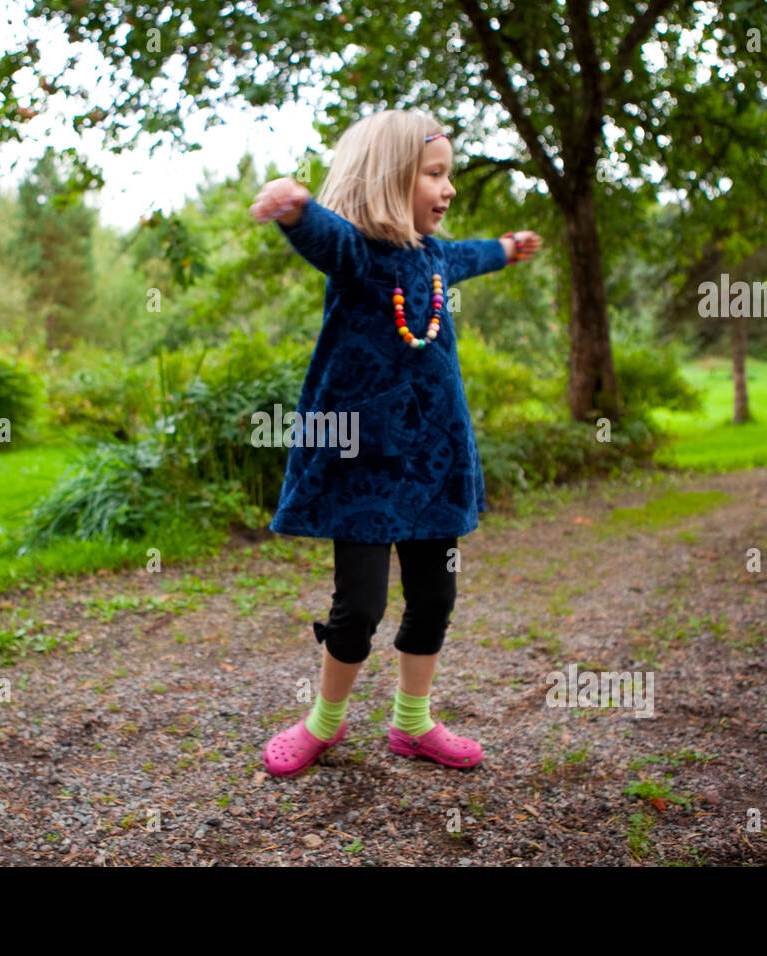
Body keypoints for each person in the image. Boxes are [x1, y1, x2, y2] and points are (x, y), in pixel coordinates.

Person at [249, 109, 541, 778]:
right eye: (435, 175)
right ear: (388, 179)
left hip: (432, 461)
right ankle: (324, 721)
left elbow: (471, 253)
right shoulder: (357, 256)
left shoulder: (436, 257)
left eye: (449, 176)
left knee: (436, 597)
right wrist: (297, 209)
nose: (449, 189)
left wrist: (506, 246)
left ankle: (413, 723)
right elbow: (327, 241)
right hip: (362, 465)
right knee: (361, 606)